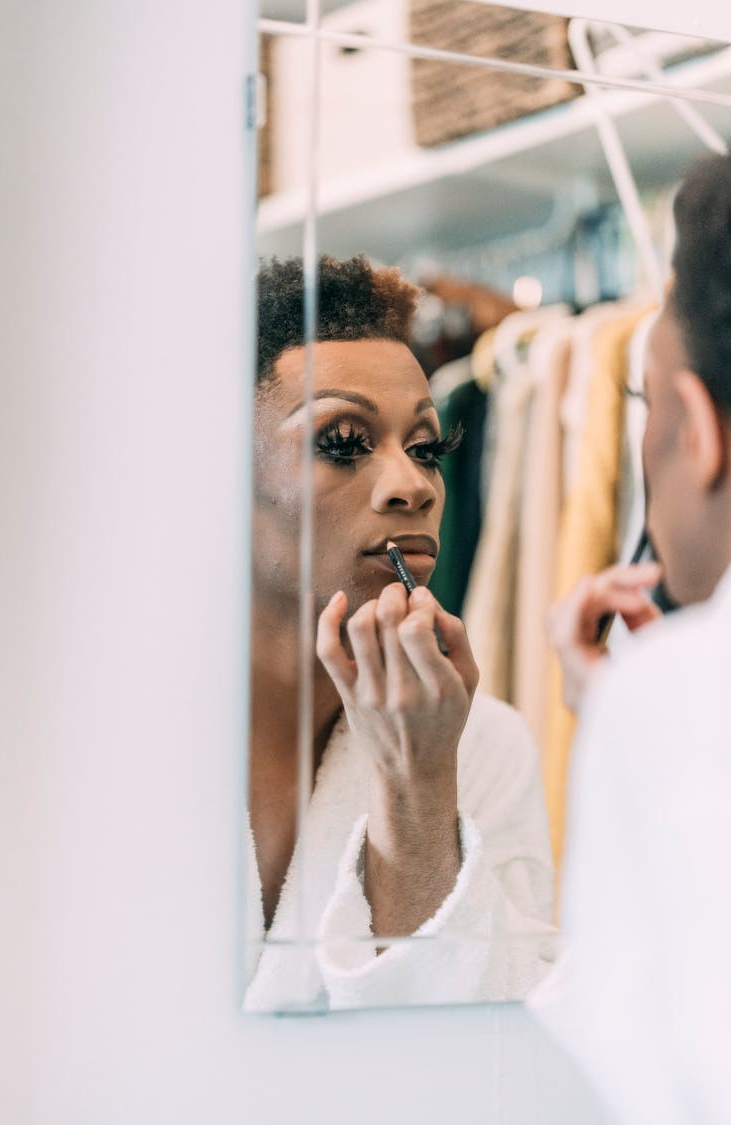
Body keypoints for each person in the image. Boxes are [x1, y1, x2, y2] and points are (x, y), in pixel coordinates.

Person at [245, 253, 555, 1012]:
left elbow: (499, 1054)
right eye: (344, 441)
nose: (413, 484)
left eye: (426, 448)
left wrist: (417, 789)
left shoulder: (486, 747)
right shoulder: (102, 742)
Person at [530, 153, 731, 1124]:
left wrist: (621, 715)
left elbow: (637, 1073)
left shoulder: (673, 698)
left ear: (696, 429)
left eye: (645, 409)